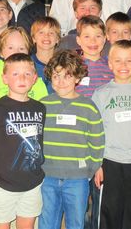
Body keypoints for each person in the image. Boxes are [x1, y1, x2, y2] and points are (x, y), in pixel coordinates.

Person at [0, 53, 47, 229]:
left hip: (32, 184)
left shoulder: (40, 108)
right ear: (4, 78)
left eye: (27, 74)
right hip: (2, 185)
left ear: (35, 78)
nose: (22, 78)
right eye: (15, 74)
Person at [39, 50, 104, 229]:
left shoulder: (88, 106)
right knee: (47, 222)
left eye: (67, 76)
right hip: (48, 176)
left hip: (77, 178)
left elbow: (97, 139)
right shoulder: (43, 104)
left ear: (77, 78)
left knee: (75, 223)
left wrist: (92, 168)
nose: (61, 81)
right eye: (56, 76)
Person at [91, 40, 131, 229]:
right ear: (109, 64)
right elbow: (94, 132)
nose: (123, 66)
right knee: (109, 213)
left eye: (128, 61)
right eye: (118, 61)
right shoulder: (100, 94)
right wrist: (97, 164)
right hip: (110, 161)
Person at [0, 27, 49, 101]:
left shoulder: (36, 81)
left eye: (21, 48)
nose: (16, 52)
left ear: (28, 52)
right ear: (1, 52)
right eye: (10, 48)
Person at [74, 16, 113, 98]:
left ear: (104, 39)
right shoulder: (72, 66)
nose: (93, 41)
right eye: (87, 36)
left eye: (98, 36)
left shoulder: (112, 65)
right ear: (78, 40)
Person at [31, 17, 61, 93]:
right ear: (34, 38)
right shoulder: (27, 63)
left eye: (51, 33)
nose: (46, 36)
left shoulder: (63, 63)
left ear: (57, 39)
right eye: (41, 32)